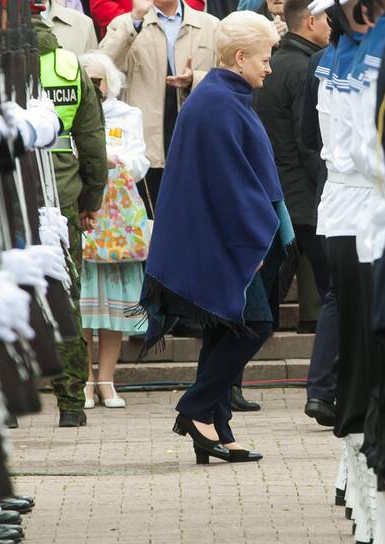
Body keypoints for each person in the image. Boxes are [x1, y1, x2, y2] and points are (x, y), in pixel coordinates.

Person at [135, 11, 290, 465]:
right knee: (253, 325)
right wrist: (253, 242)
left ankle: (216, 428)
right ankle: (195, 409)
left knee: (227, 329)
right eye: (264, 59)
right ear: (240, 58)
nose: (269, 68)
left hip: (216, 241)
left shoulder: (221, 95)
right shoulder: (220, 101)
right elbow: (231, 183)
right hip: (223, 244)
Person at [253, 0, 332, 424]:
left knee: (264, 290)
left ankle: (227, 381)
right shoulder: (305, 69)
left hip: (276, 192)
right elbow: (309, 141)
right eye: (327, 19)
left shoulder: (277, 64)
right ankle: (326, 387)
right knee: (330, 292)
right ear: (312, 21)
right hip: (305, 197)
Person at [37, 18, 110, 428]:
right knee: (64, 296)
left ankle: (5, 404)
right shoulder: (67, 64)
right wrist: (91, 197)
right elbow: (93, 141)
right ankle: (70, 404)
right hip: (61, 194)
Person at [77, 51, 152, 410]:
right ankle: (84, 381)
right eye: (87, 80)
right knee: (84, 305)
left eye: (99, 80)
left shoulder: (128, 114)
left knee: (113, 308)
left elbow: (140, 162)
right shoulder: (70, 113)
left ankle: (106, 380)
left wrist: (112, 157)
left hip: (118, 220)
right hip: (83, 212)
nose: (95, 87)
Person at [99, 0, 219, 208]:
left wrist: (195, 79)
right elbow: (102, 69)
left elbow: (225, 76)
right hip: (147, 143)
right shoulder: (125, 23)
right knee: (152, 219)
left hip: (196, 138)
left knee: (193, 215)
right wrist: (134, 19)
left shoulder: (211, 25)